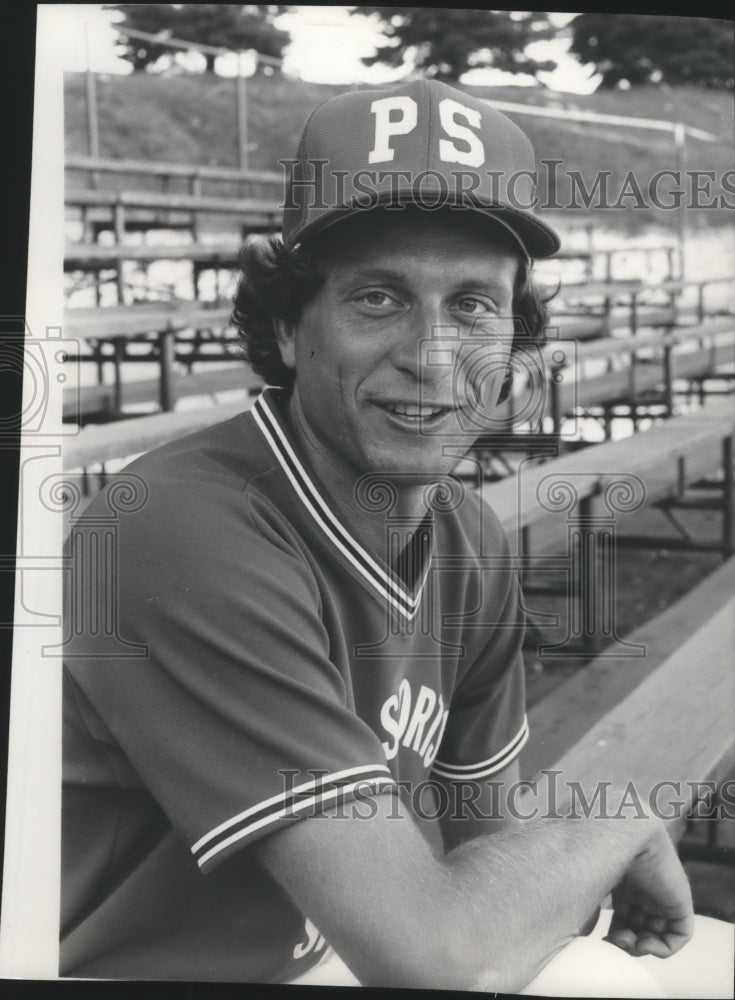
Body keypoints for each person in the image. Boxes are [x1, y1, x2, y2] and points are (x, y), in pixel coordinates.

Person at [61, 79, 733, 994]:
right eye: (378, 299)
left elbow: (486, 852)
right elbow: (436, 956)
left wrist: (564, 865)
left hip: (330, 946)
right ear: (291, 327)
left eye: (472, 306)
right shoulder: (175, 528)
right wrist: (610, 826)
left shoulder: (467, 535)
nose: (431, 355)